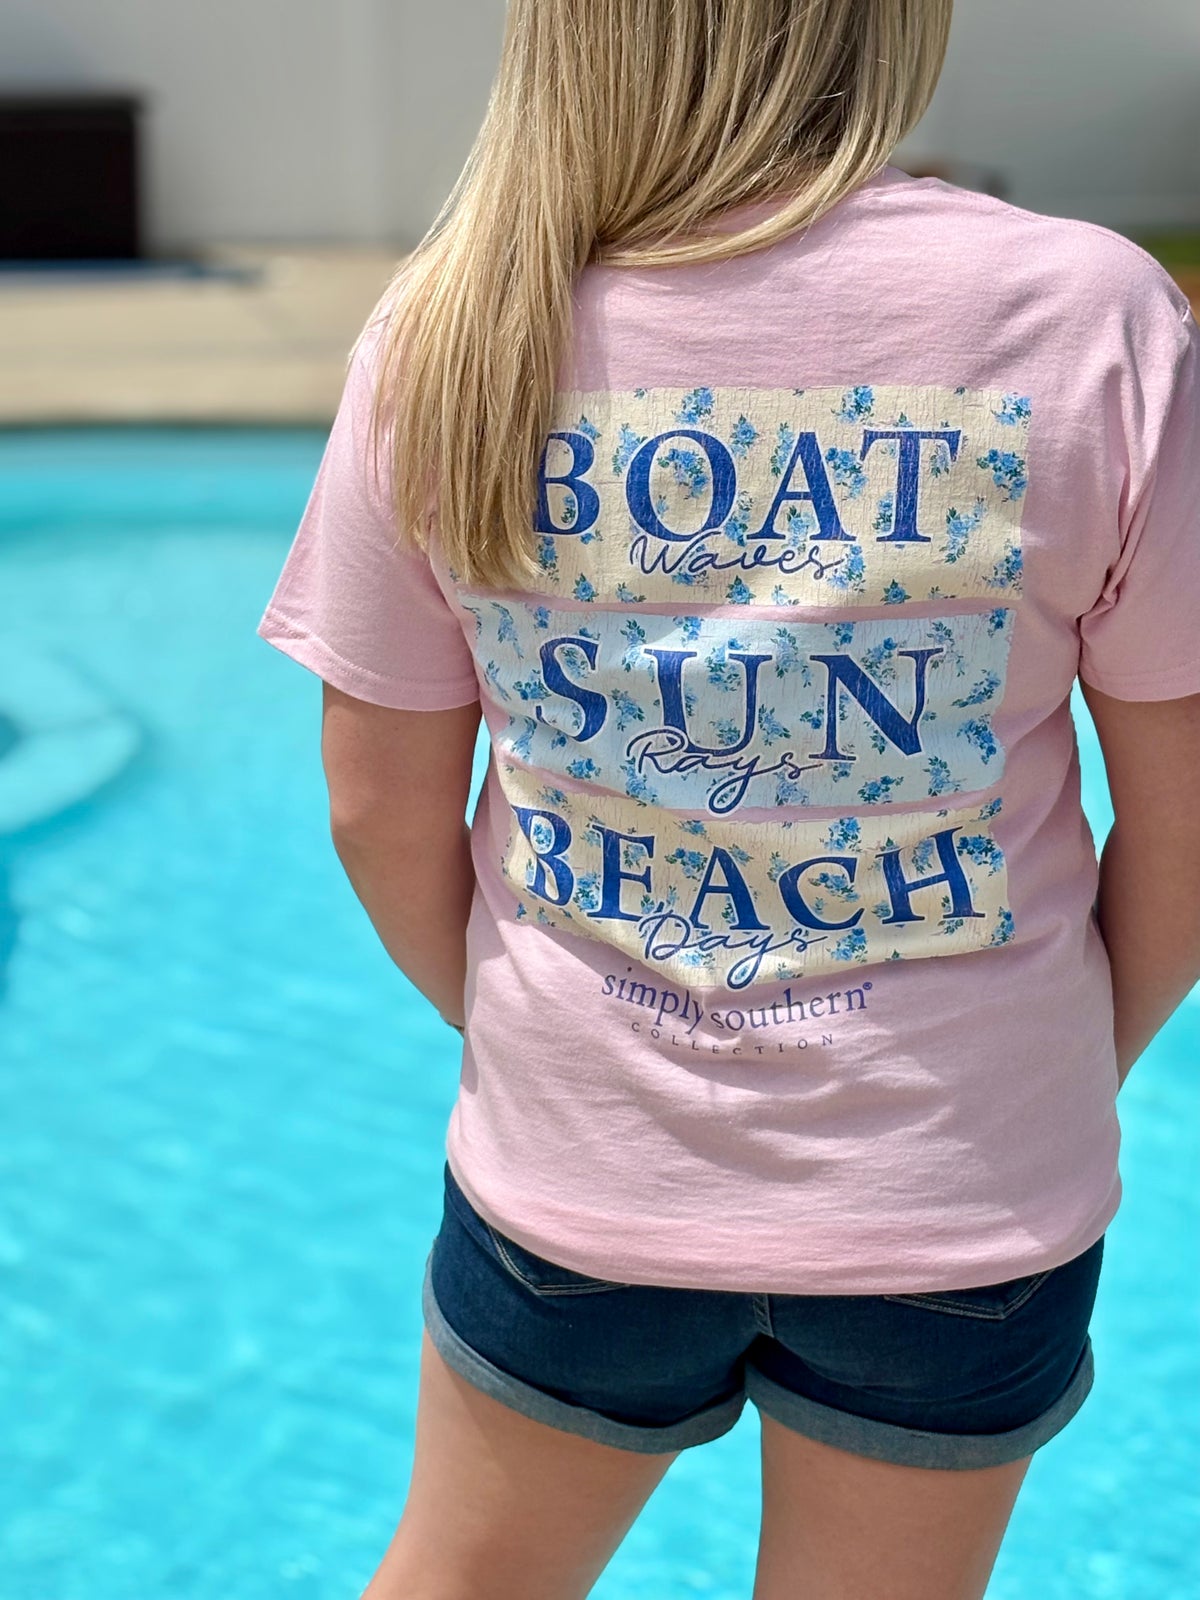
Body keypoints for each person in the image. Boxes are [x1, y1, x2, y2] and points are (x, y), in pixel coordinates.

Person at [255, 2, 1200, 1595]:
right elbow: (1186, 816)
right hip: (957, 1200)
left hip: (576, 1188)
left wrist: (548, 1041)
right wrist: (1049, 1065)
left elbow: (374, 810)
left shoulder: (454, 329)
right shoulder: (1088, 315)